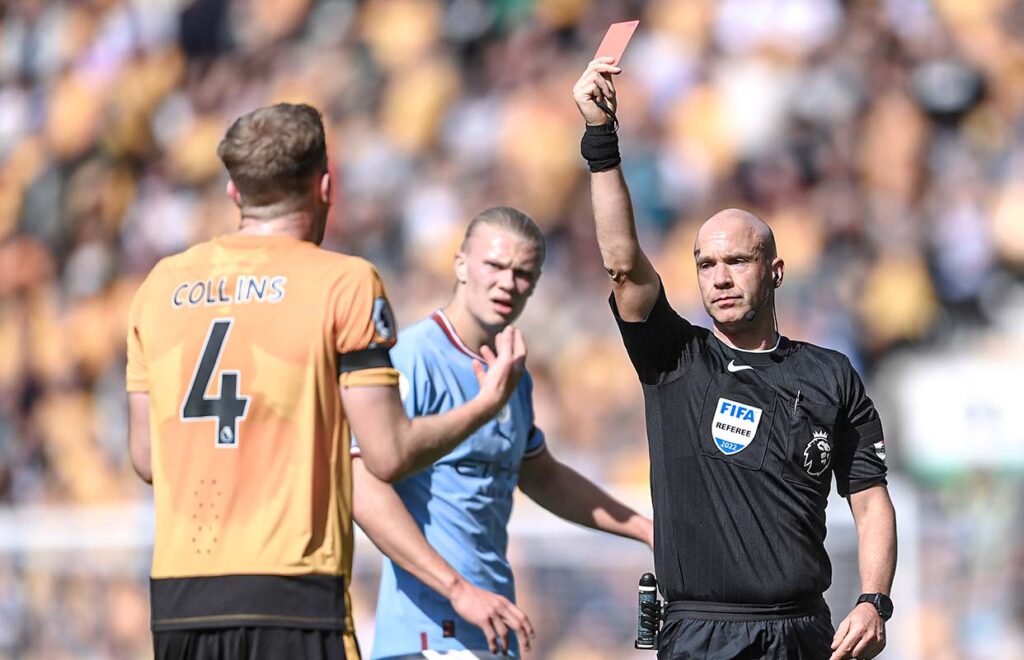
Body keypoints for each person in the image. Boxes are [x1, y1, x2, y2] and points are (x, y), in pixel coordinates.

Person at [125, 103, 526, 660]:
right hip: (293, 592)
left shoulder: (159, 286)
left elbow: (147, 459)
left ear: (234, 192)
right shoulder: (344, 283)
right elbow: (386, 455)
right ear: (326, 187)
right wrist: (486, 404)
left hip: (180, 599)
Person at [571, 59, 897, 660]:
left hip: (804, 632)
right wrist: (601, 142)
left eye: (736, 262)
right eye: (705, 265)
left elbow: (870, 497)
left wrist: (874, 599)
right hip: (702, 634)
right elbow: (622, 262)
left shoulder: (830, 375)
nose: (718, 279)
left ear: (774, 271)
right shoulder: (674, 358)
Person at [351, 206, 655, 658]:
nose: (507, 283)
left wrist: (650, 531)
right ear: (461, 265)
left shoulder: (511, 371)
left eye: (523, 272)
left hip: (491, 628)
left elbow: (543, 476)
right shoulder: (415, 356)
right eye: (494, 265)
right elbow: (360, 483)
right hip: (427, 635)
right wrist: (457, 589)